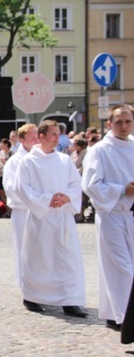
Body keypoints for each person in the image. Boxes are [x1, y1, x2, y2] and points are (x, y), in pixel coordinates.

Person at [16, 120, 87, 317]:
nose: (57, 138)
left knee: (66, 258)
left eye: (58, 134)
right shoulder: (28, 162)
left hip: (62, 217)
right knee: (40, 258)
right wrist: (47, 200)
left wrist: (67, 197)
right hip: (42, 218)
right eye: (53, 134)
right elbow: (23, 189)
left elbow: (75, 182)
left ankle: (69, 299)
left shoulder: (64, 160)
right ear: (42, 136)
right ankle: (33, 296)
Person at [81, 104, 134, 331]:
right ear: (110, 124)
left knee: (120, 267)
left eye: (128, 121)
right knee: (122, 267)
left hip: (131, 215)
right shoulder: (99, 150)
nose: (123, 126)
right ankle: (127, 318)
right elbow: (91, 185)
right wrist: (122, 189)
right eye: (119, 122)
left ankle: (114, 311)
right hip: (111, 214)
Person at [2, 123, 39, 288]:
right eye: (33, 137)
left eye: (38, 136)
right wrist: (33, 199)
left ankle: (40, 284)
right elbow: (11, 188)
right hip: (23, 210)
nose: (37, 140)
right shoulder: (14, 162)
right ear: (22, 140)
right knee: (23, 249)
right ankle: (26, 285)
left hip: (41, 210)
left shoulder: (40, 158)